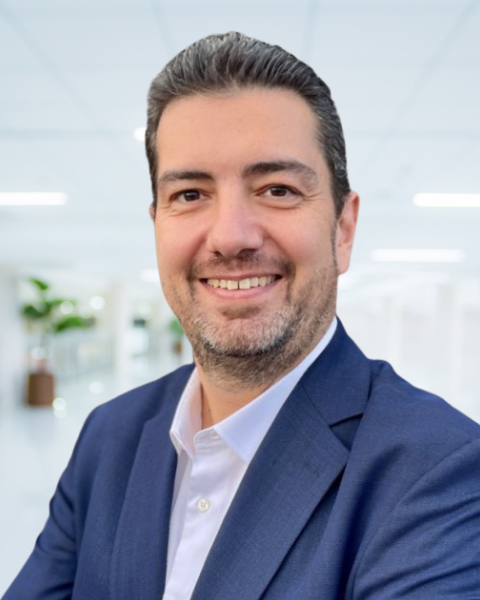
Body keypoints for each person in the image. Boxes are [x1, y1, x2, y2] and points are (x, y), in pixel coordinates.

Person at [4, 32, 480, 600]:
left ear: (343, 229)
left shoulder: (440, 469)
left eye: (277, 189)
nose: (231, 237)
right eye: (189, 194)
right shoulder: (110, 435)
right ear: (156, 225)